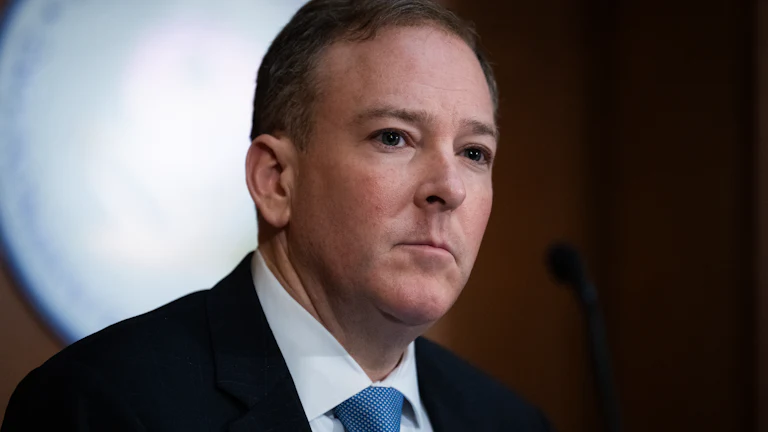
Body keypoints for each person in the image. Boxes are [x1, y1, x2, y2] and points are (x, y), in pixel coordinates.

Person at [2, 0, 554, 430]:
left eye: (474, 152)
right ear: (276, 181)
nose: (449, 188)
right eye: (394, 137)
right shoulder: (102, 407)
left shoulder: (507, 422)